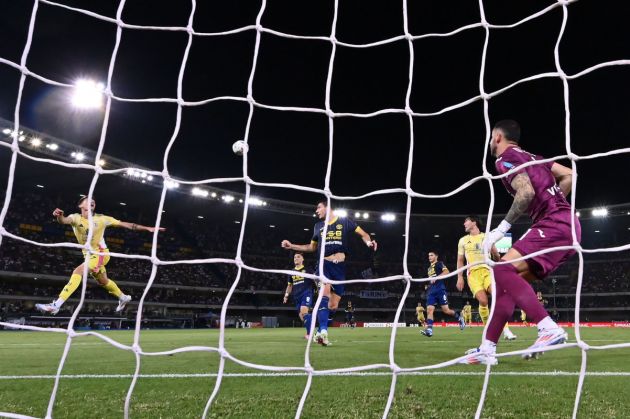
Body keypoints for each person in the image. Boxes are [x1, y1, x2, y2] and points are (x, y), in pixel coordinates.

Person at [463, 119, 581, 364]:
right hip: (568, 225)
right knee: (504, 283)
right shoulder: (534, 157)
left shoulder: (503, 159)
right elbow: (570, 175)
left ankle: (548, 328)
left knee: (502, 268)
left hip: (554, 224)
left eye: (490, 138)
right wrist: (552, 202)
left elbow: (525, 192)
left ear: (497, 137)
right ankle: (488, 348)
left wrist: (501, 229)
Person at [35, 196, 164, 315]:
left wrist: (148, 228)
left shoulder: (102, 218)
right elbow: (63, 220)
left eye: (93, 201)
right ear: (80, 205)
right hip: (88, 255)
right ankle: (123, 297)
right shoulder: (75, 218)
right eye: (88, 199)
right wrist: (59, 216)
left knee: (78, 271)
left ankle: (56, 305)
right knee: (103, 281)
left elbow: (127, 225)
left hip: (100, 253)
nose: (92, 201)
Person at [281, 199, 377, 346]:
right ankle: (324, 332)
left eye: (319, 207)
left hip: (340, 267)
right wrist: (292, 246)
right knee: (324, 293)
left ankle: (320, 330)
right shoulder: (318, 226)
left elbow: (363, 234)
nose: (316, 211)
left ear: (328, 207)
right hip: (323, 264)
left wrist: (369, 243)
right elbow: (311, 247)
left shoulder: (344, 221)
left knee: (333, 305)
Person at [456, 215, 517, 340]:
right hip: (473, 274)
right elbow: (460, 260)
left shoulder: (486, 237)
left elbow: (495, 254)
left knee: (497, 297)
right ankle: (487, 329)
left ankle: (506, 330)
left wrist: (497, 260)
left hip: (488, 271)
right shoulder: (463, 240)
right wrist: (459, 277)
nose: (464, 224)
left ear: (474, 222)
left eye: (466, 221)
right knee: (483, 301)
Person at [420, 251, 466, 337]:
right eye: (428, 255)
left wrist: (437, 278)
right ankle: (429, 330)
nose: (429, 257)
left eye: (431, 255)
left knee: (446, 310)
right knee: (429, 310)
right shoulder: (429, 268)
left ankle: (459, 318)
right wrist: (428, 286)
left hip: (440, 290)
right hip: (431, 292)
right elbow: (432, 279)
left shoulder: (439, 264)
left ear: (436, 256)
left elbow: (447, 272)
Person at [283, 252, 314, 339]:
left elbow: (316, 280)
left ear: (302, 259)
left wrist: (319, 290)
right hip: (296, 296)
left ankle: (309, 334)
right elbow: (289, 285)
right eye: (294, 257)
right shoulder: (291, 272)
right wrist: (286, 296)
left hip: (306, 293)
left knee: (304, 312)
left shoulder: (308, 270)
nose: (295, 258)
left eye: (298, 257)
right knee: (302, 316)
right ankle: (312, 324)